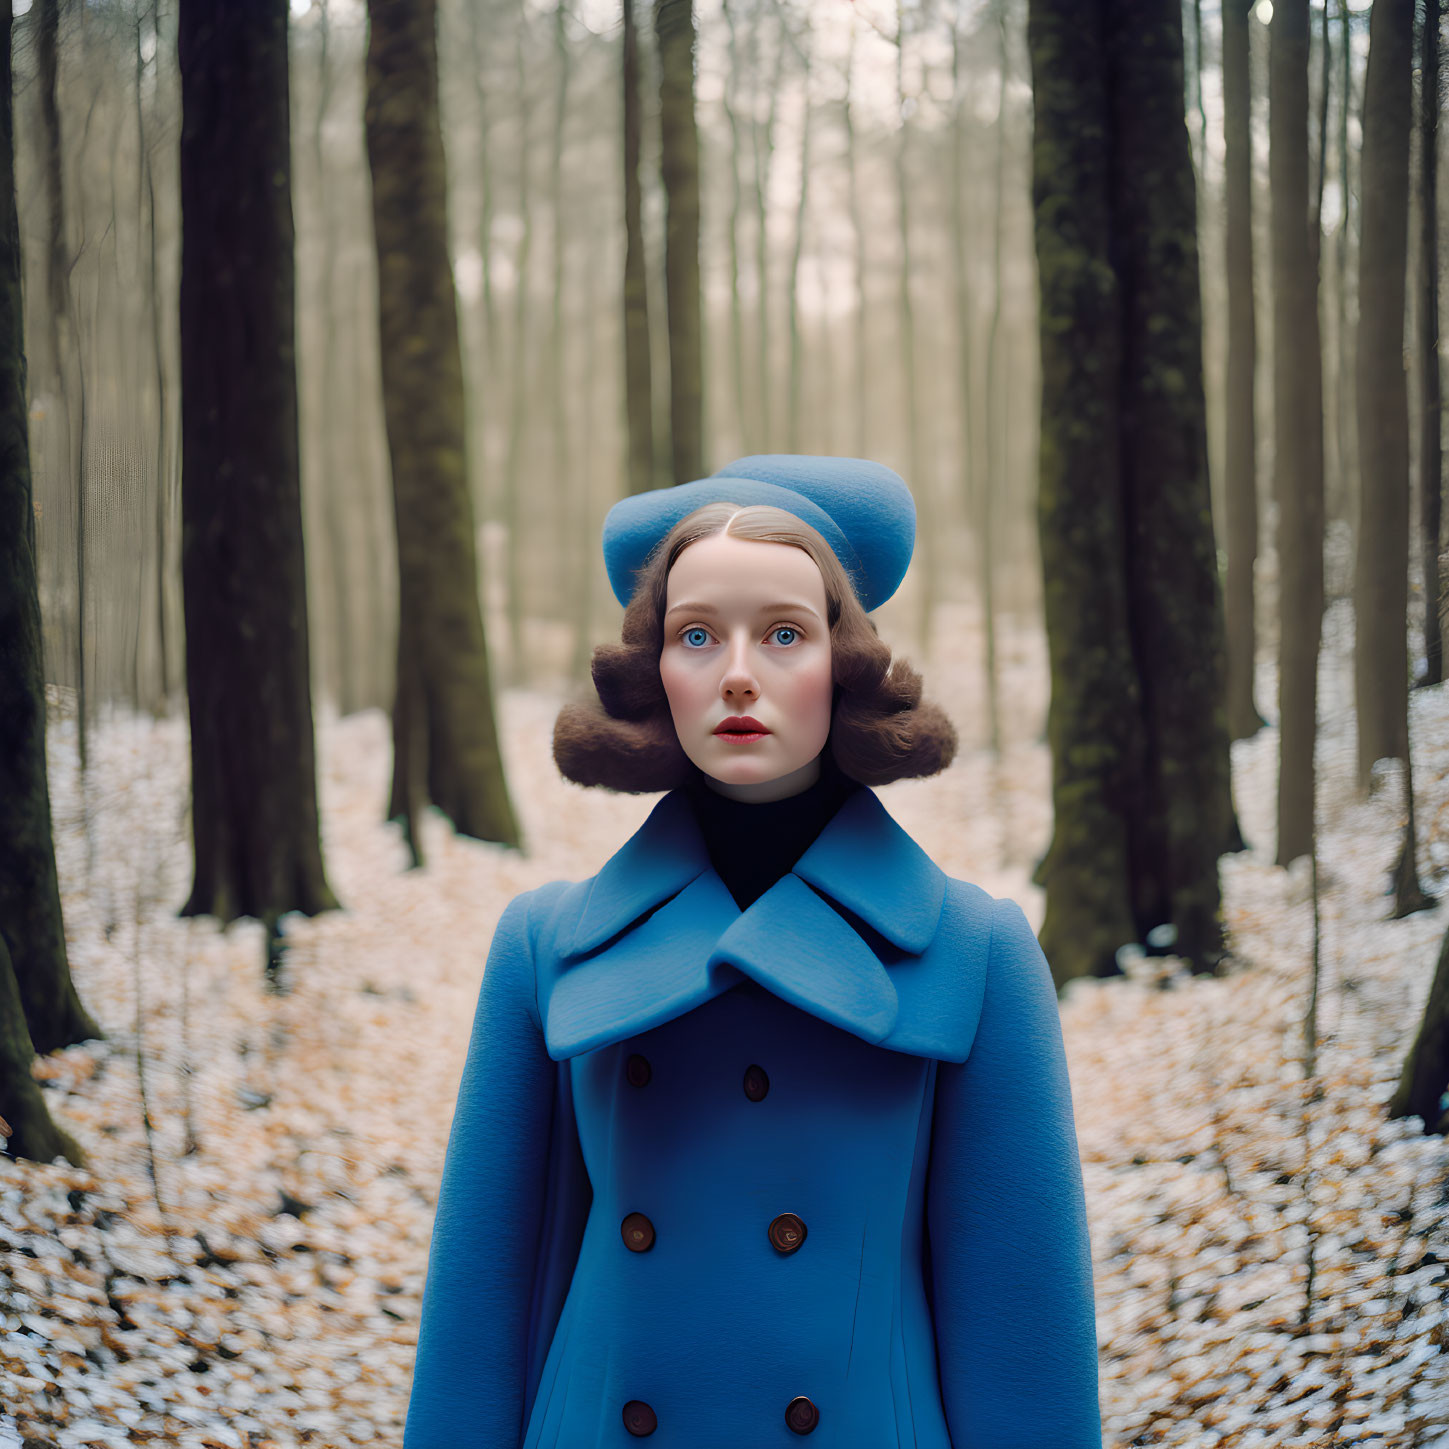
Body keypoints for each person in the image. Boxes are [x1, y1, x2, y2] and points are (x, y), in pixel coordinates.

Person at [403, 455, 1102, 1448]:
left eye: (783, 632)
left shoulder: (975, 955)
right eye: (697, 635)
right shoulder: (544, 949)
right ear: (657, 675)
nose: (737, 671)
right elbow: (482, 1324)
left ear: (843, 663)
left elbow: (1024, 1362)